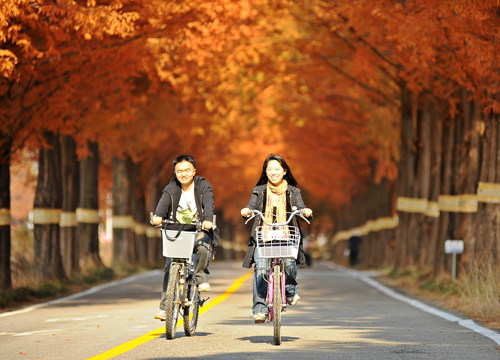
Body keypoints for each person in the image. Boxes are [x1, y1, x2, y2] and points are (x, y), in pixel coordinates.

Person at [241, 154, 312, 323]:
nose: (273, 172)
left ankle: (290, 290)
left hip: (286, 235)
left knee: (289, 263)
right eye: (270, 169)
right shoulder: (259, 190)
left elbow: (301, 207)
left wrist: (305, 211)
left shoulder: (294, 191)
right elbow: (251, 206)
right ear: (265, 172)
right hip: (264, 236)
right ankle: (260, 309)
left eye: (277, 169)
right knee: (261, 267)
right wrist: (247, 210)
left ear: (284, 171)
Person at [151, 154, 216, 321]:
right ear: (175, 172)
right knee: (169, 264)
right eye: (179, 171)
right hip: (176, 230)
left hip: (198, 228)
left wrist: (208, 219)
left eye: (187, 170)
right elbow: (162, 205)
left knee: (202, 247)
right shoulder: (171, 188)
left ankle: (201, 277)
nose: (183, 174)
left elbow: (209, 204)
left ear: (194, 171)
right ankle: (166, 308)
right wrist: (158, 216)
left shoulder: (203, 186)